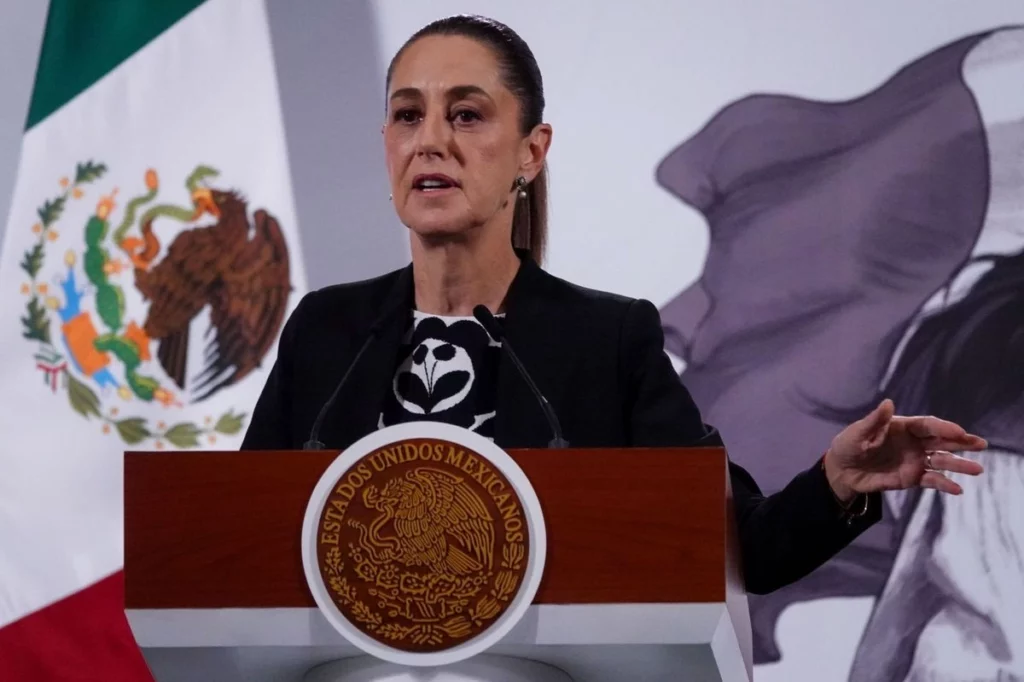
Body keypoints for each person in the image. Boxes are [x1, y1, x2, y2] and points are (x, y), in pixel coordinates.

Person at [240, 14, 985, 596]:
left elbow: (739, 547)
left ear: (531, 152)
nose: (429, 140)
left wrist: (837, 484)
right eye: (408, 115)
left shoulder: (604, 339)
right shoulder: (325, 332)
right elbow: (236, 536)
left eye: (465, 114)